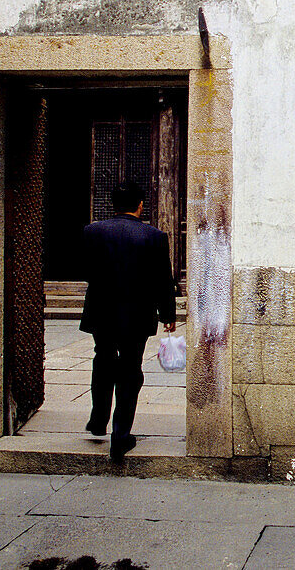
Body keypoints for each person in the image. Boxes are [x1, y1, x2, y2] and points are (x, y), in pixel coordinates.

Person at [80, 181, 176, 461]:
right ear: (140, 205)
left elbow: (85, 270)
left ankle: (98, 420)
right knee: (130, 368)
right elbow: (163, 280)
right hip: (137, 313)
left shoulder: (93, 231)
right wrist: (168, 314)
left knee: (103, 359)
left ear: (113, 205)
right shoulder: (154, 236)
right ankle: (120, 436)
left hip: (101, 311)